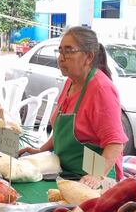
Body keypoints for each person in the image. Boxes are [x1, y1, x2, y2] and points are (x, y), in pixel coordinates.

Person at [17, 27, 127, 179]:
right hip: (66, 172)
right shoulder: (71, 82)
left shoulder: (101, 89)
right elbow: (62, 134)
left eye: (68, 51)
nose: (61, 58)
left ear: (88, 57)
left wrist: (95, 176)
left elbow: (115, 144)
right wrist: (40, 151)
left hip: (94, 178)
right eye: (60, 51)